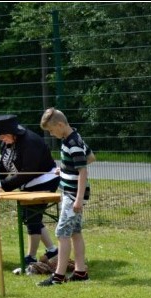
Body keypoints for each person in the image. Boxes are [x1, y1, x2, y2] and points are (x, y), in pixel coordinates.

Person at [0, 114, 60, 265]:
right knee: (29, 217)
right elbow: (3, 166)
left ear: (12, 133)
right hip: (28, 182)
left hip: (45, 181)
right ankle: (53, 251)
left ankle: (30, 258)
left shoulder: (30, 142)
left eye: (2, 136)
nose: (1, 139)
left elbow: (28, 171)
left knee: (32, 219)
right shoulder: (7, 142)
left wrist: (4, 185)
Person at [36, 108, 93, 286]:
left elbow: (83, 170)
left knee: (62, 234)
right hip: (72, 194)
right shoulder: (73, 137)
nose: (51, 134)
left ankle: (58, 276)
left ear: (60, 125)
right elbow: (90, 157)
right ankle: (80, 272)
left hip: (73, 195)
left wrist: (78, 199)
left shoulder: (72, 143)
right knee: (75, 232)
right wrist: (65, 169)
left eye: (51, 130)